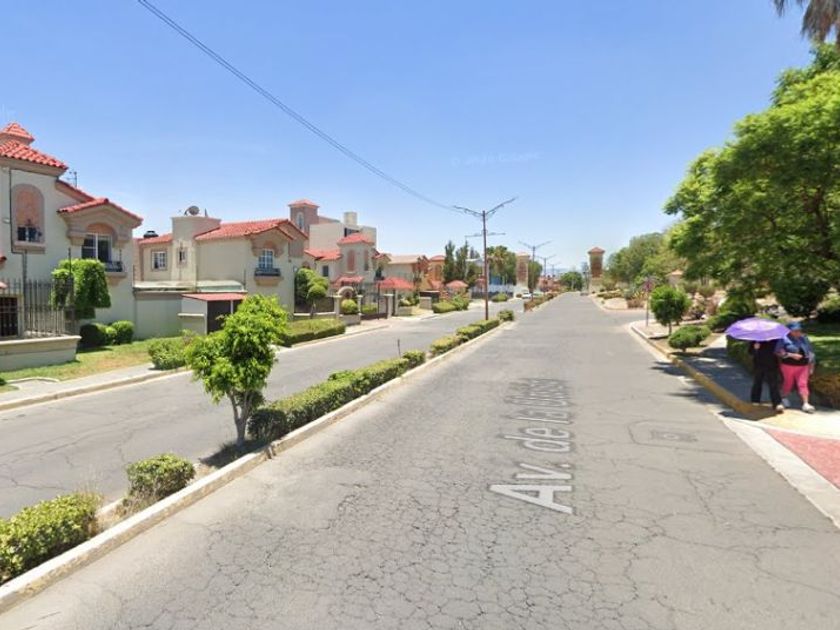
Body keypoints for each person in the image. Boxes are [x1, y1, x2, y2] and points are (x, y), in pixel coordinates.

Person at [775, 322, 816, 413]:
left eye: (799, 330)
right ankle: (784, 399)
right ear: (789, 331)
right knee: (788, 383)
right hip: (788, 365)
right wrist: (790, 355)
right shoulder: (784, 339)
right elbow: (777, 352)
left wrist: (812, 365)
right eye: (795, 330)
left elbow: (811, 352)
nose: (798, 332)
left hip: (803, 366)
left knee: (803, 383)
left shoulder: (804, 338)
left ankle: (806, 404)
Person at [748, 340, 782, 412]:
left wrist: (779, 352)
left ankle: (777, 403)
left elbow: (779, 351)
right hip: (759, 364)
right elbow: (750, 352)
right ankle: (755, 400)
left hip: (772, 364)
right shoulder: (756, 340)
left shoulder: (775, 340)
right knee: (757, 382)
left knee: (773, 384)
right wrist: (755, 348)